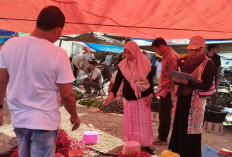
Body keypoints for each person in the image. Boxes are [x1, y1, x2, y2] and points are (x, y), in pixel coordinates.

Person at [0, 6, 81, 157]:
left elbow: (1, 81)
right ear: (58, 30)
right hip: (44, 122)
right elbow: (68, 95)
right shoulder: (58, 54)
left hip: (19, 119)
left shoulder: (10, 45)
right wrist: (75, 116)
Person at [103, 41, 155, 155]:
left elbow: (150, 82)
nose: (127, 55)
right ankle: (131, 144)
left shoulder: (146, 64)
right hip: (129, 97)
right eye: (125, 53)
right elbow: (117, 82)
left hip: (143, 97)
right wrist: (111, 95)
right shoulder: (123, 65)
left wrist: (151, 96)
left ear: (136, 51)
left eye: (129, 52)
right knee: (131, 122)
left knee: (144, 122)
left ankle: (147, 144)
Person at [168, 35, 215, 157]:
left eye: (197, 50)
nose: (193, 53)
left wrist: (188, 83)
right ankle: (177, 153)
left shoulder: (208, 63)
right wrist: (176, 79)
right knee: (178, 126)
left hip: (195, 102)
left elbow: (207, 85)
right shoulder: (183, 61)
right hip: (180, 99)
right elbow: (176, 78)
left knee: (190, 131)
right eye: (191, 49)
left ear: (203, 49)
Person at [152, 38, 179, 144]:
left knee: (165, 114)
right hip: (164, 89)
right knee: (163, 113)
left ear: (161, 47)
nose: (156, 52)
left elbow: (174, 77)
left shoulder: (172, 56)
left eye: (156, 50)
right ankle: (162, 135)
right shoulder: (166, 55)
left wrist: (172, 93)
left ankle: (163, 137)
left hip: (169, 90)